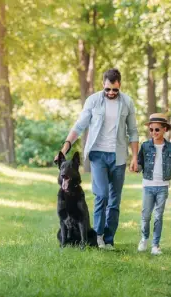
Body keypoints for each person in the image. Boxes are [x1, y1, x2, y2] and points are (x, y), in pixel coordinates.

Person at [55, 68, 139, 250]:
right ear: (103, 84)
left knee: (115, 200)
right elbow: (79, 126)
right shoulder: (93, 101)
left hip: (119, 156)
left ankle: (108, 239)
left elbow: (133, 131)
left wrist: (134, 157)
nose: (111, 93)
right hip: (98, 154)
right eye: (108, 89)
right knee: (101, 195)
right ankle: (98, 235)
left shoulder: (127, 103)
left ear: (120, 86)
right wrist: (65, 147)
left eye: (115, 90)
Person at [137, 113, 171, 255]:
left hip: (162, 187)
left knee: (158, 216)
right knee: (146, 215)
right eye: (151, 129)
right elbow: (139, 164)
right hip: (148, 185)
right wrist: (136, 167)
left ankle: (155, 245)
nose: (153, 132)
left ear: (164, 129)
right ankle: (144, 238)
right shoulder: (145, 146)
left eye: (157, 130)